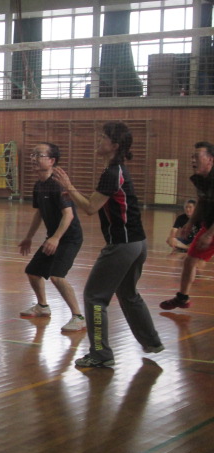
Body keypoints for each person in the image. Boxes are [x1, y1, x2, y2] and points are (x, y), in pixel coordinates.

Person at [52, 121, 163, 368]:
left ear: (114, 145)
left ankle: (100, 354)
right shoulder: (116, 171)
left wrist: (69, 186)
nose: (98, 140)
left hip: (122, 245)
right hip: (138, 243)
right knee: (128, 294)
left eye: (102, 137)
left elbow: (90, 208)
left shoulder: (113, 173)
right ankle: (152, 342)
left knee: (94, 297)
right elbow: (95, 201)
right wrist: (74, 194)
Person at [18, 142, 85, 332]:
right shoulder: (39, 185)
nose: (33, 158)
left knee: (57, 276)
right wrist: (29, 237)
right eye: (33, 155)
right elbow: (39, 213)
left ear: (52, 160)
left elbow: (68, 215)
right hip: (54, 237)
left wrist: (55, 238)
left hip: (69, 238)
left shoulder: (57, 184)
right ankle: (42, 307)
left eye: (39, 155)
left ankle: (78, 317)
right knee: (33, 271)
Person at [160, 142, 214, 310]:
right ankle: (182, 298)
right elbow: (202, 202)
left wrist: (210, 234)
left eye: (197, 156)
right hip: (210, 225)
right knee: (190, 260)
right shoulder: (200, 179)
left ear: (210, 159)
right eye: (192, 157)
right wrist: (190, 222)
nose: (193, 160)